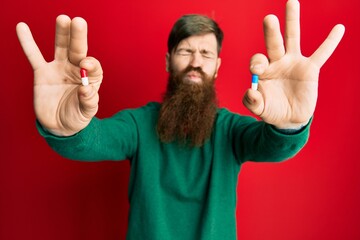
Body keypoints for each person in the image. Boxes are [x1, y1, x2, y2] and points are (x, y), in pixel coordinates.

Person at [16, 0, 344, 239]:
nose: (195, 63)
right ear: (168, 60)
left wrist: (290, 124)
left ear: (217, 66)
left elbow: (273, 146)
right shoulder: (138, 125)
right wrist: (64, 127)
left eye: (206, 54)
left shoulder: (230, 131)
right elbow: (93, 140)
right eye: (185, 51)